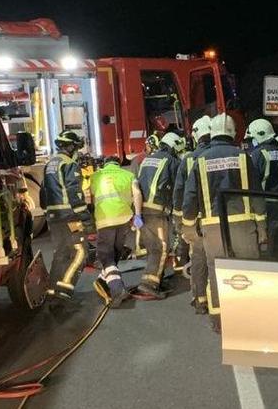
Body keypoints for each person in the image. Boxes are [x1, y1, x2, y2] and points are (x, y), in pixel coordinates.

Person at [183, 113, 266, 331]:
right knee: (248, 271)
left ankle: (219, 320)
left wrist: (188, 226)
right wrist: (262, 227)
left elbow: (190, 197)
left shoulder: (200, 160)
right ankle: (249, 316)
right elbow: (257, 194)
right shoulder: (243, 156)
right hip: (243, 226)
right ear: (233, 132)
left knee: (217, 273)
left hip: (213, 228)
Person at [42, 130, 91, 300]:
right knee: (80, 251)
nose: (77, 151)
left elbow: (43, 193)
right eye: (76, 147)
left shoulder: (50, 164)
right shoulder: (69, 164)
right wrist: (85, 217)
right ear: (70, 147)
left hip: (53, 217)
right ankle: (65, 288)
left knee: (61, 252)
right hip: (70, 216)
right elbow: (74, 192)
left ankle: (52, 290)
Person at [90, 156, 143, 308]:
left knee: (106, 257)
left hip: (104, 219)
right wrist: (138, 215)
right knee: (115, 253)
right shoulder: (128, 175)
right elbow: (137, 194)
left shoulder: (96, 176)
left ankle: (117, 289)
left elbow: (91, 196)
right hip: (124, 219)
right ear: (118, 164)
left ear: (105, 164)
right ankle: (103, 280)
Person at [174, 116, 212, 313]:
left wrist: (182, 222)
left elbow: (181, 192)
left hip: (196, 220)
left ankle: (200, 300)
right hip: (219, 218)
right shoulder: (218, 156)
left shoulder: (188, 159)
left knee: (198, 259)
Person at [136, 131, 181, 298]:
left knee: (152, 246)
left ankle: (154, 278)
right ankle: (150, 284)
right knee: (161, 247)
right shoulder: (172, 161)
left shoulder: (148, 159)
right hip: (157, 210)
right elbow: (178, 187)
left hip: (143, 209)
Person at [247, 118, 278, 256]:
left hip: (265, 206)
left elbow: (251, 181)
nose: (252, 142)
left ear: (258, 135)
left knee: (264, 244)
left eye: (252, 138)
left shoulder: (257, 154)